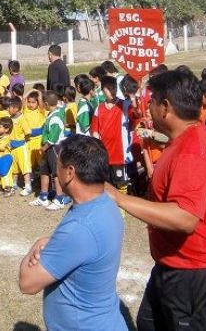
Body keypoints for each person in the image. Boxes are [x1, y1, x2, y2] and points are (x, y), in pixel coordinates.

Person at [105, 69, 206, 331]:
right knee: (148, 323)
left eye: (152, 101)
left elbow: (184, 218)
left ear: (165, 107)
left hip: (196, 272)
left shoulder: (191, 151)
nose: (148, 107)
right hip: (173, 265)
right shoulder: (185, 138)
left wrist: (119, 198)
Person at [18, 134, 126, 331]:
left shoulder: (81, 227)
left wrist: (38, 245)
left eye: (58, 166)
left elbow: (28, 283)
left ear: (70, 172)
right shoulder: (105, 203)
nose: (55, 173)